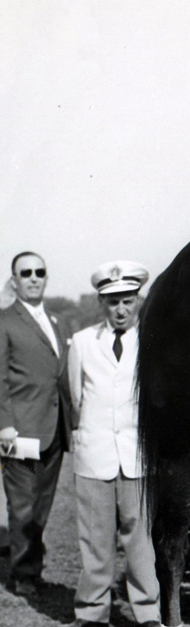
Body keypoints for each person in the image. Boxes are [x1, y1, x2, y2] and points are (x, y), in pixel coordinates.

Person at [55, 263, 161, 627]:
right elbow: (75, 395)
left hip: (136, 453)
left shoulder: (151, 340)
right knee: (94, 536)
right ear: (102, 302)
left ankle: (148, 612)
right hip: (94, 451)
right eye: (113, 302)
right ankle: (91, 611)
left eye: (127, 301)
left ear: (138, 301)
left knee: (140, 537)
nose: (120, 309)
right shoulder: (83, 342)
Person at [1, 252, 73, 596]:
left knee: (43, 503)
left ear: (46, 277)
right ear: (14, 280)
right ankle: (23, 574)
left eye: (39, 272)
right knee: (22, 504)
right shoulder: (4, 321)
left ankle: (33, 567)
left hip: (55, 429)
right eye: (25, 273)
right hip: (19, 431)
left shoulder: (59, 322)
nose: (33, 278)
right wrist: (4, 427)